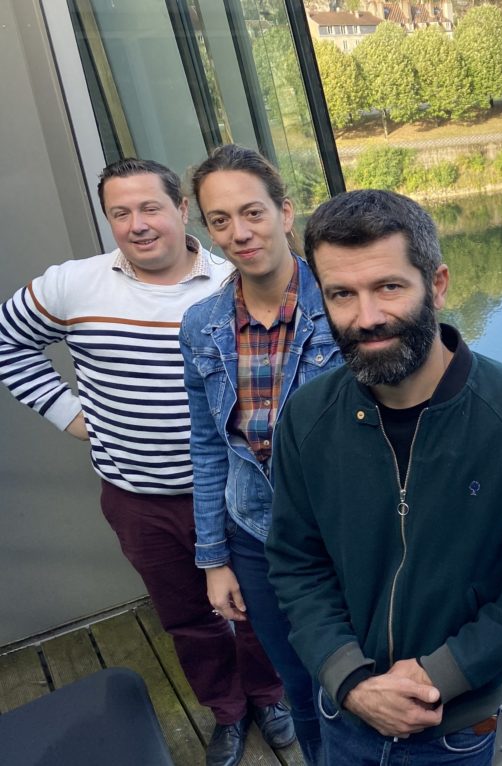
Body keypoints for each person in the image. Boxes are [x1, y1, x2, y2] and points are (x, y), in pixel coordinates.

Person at [264, 190, 502, 764]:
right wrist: (351, 678)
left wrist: (445, 670)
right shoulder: (307, 419)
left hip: (454, 727)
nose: (367, 318)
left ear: (436, 284)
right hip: (345, 712)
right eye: (342, 294)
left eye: (389, 287)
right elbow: (296, 562)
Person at [0, 158, 289, 766]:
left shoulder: (229, 280)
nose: (137, 224)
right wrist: (72, 417)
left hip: (239, 494)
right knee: (188, 617)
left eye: (150, 207)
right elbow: (8, 343)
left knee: (262, 609)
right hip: (139, 500)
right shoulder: (72, 285)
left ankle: (270, 696)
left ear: (181, 210)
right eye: (120, 212)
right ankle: (228, 712)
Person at [180, 144, 341, 766]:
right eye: (220, 220)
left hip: (343, 536)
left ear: (285, 211)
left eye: (252, 213)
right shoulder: (203, 325)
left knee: (357, 674)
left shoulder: (341, 304)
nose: (238, 233)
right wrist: (215, 558)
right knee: (299, 684)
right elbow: (208, 444)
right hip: (257, 538)